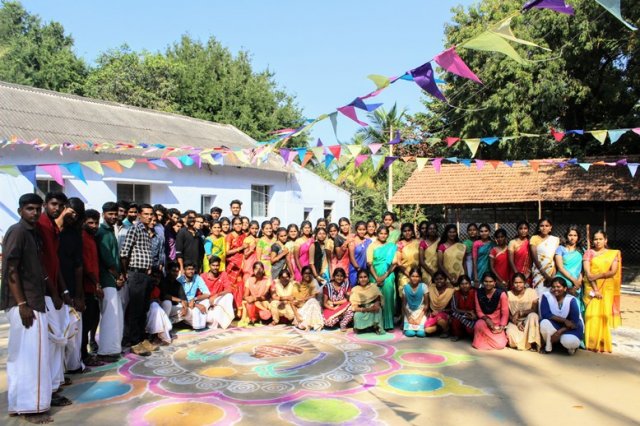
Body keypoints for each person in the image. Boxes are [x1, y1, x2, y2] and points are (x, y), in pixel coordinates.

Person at [1, 193, 54, 423]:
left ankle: (21, 404)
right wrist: (22, 304)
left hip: (34, 300)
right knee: (31, 358)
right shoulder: (18, 231)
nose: (34, 213)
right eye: (30, 209)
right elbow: (11, 269)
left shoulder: (33, 234)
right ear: (21, 209)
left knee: (26, 357)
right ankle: (31, 408)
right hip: (26, 304)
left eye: (37, 209)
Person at [38, 192, 73, 399]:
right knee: (53, 340)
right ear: (45, 204)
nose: (57, 208)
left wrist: (64, 290)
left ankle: (56, 382)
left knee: (60, 337)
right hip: (43, 294)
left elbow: (55, 263)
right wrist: (54, 292)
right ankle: (50, 389)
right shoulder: (41, 226)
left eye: (60, 205)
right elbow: (41, 264)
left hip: (55, 291)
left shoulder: (52, 227)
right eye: (53, 204)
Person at [120, 203, 156, 356]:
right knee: (135, 309)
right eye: (146, 214)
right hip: (135, 274)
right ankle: (133, 341)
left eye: (150, 214)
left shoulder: (148, 231)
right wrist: (126, 273)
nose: (149, 217)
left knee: (143, 308)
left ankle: (142, 338)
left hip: (146, 275)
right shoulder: (135, 229)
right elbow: (124, 253)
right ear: (139, 215)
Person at [58, 198, 86, 374]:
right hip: (52, 289)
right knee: (57, 333)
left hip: (71, 286)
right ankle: (58, 371)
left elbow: (78, 266)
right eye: (70, 211)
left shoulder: (75, 235)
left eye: (77, 214)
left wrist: (78, 294)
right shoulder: (50, 230)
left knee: (73, 329)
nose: (73, 216)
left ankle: (73, 365)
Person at [582, 230, 621, 353]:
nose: (597, 241)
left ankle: (602, 343)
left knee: (603, 316)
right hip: (591, 287)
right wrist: (595, 289)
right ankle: (590, 343)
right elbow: (588, 273)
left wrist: (599, 275)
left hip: (606, 288)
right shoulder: (589, 253)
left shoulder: (613, 254)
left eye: (600, 239)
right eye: (595, 239)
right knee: (590, 315)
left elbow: (613, 271)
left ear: (605, 240)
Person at [95, 202, 125, 362]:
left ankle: (113, 349)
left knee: (115, 315)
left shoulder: (109, 231)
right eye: (110, 214)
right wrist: (117, 276)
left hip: (112, 279)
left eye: (115, 214)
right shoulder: (101, 232)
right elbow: (107, 258)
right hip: (106, 278)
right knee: (109, 316)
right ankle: (105, 351)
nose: (113, 217)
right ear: (103, 214)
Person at [80, 209, 104, 367]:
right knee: (85, 323)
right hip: (86, 287)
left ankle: (89, 348)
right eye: (90, 223)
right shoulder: (82, 238)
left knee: (93, 319)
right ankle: (83, 355)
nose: (94, 225)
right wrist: (97, 285)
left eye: (96, 222)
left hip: (93, 286)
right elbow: (87, 266)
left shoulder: (92, 238)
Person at [540, 278, 584, 355]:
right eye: (553, 287)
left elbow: (574, 322)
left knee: (568, 341)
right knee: (544, 323)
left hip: (571, 328)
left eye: (558, 287)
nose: (555, 289)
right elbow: (546, 314)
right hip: (556, 324)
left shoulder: (571, 299)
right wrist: (565, 321)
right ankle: (549, 346)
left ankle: (571, 348)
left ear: (565, 288)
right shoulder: (547, 296)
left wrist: (559, 332)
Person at [367, 225, 397, 330]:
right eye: (381, 233)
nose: (383, 235)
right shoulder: (371, 246)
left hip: (388, 274)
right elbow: (369, 263)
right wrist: (376, 277)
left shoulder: (392, 246)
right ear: (377, 234)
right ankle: (375, 323)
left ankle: (388, 323)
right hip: (374, 274)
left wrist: (384, 276)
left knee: (388, 297)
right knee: (375, 298)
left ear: (388, 235)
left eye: (385, 234)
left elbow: (394, 264)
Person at [473, 272, 509, 350]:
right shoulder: (478, 293)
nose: (488, 284)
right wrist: (487, 319)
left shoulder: (501, 294)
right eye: (486, 281)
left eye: (490, 282)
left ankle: (487, 342)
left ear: (494, 283)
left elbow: (505, 313)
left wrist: (502, 327)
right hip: (485, 321)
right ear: (482, 282)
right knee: (478, 325)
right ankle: (485, 342)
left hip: (497, 323)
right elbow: (478, 311)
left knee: (500, 345)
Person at [506, 273, 540, 351]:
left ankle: (531, 341)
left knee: (533, 315)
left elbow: (535, 310)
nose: (518, 285)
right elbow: (507, 313)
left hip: (528, 321)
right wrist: (517, 323)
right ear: (512, 283)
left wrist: (520, 312)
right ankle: (527, 343)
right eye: (516, 283)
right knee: (513, 341)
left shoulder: (531, 292)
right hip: (515, 322)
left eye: (520, 282)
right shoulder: (508, 294)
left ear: (524, 283)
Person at [554, 226, 584, 315]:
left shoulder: (582, 251)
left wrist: (578, 281)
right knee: (561, 307)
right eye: (570, 235)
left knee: (575, 307)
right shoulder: (560, 249)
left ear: (578, 237)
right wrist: (573, 280)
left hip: (576, 283)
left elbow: (582, 269)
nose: (572, 237)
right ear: (566, 236)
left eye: (575, 235)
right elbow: (560, 267)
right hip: (562, 282)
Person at [200, 256, 235, 329]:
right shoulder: (203, 276)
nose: (215, 267)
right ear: (209, 265)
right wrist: (209, 299)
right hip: (206, 301)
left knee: (229, 295)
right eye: (213, 265)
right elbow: (199, 294)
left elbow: (229, 289)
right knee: (209, 320)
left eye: (217, 265)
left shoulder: (223, 274)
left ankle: (225, 322)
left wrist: (216, 295)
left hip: (218, 300)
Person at [530, 218, 560, 296]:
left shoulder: (555, 240)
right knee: (539, 295)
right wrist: (545, 275)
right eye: (542, 226)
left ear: (550, 228)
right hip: (538, 271)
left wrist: (552, 277)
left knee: (551, 296)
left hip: (551, 271)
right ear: (538, 228)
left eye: (547, 226)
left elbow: (554, 259)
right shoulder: (534, 238)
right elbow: (535, 258)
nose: (544, 228)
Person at [350, 268, 384, 334]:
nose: (363, 279)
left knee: (378, 310)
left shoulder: (373, 287)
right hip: (363, 310)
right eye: (361, 277)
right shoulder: (355, 289)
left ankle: (376, 327)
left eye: (365, 277)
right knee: (357, 315)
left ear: (368, 278)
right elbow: (355, 308)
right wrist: (368, 309)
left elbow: (378, 300)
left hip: (373, 309)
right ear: (358, 279)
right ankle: (361, 328)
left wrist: (376, 305)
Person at [177, 263, 211, 330]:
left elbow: (207, 294)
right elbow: (181, 299)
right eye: (188, 269)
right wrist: (196, 305)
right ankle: (193, 323)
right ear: (184, 271)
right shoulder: (179, 280)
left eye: (192, 269)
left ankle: (197, 324)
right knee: (193, 310)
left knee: (207, 301)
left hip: (193, 302)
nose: (191, 271)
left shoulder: (197, 278)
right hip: (184, 304)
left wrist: (194, 299)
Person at [225, 217, 247, 316]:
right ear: (233, 225)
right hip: (232, 265)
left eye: (240, 224)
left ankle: (239, 309)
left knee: (240, 286)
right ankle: (230, 310)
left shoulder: (244, 235)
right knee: (231, 287)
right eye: (236, 224)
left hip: (242, 264)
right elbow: (227, 252)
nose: (238, 226)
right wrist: (240, 248)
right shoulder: (229, 236)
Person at [239, 262, 273, 326]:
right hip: (253, 303)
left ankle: (261, 318)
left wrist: (254, 298)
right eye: (256, 269)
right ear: (253, 271)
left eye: (260, 269)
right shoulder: (249, 280)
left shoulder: (267, 280)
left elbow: (265, 296)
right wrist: (248, 298)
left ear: (263, 270)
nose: (258, 270)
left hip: (263, 303)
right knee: (248, 302)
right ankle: (252, 319)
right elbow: (245, 295)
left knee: (264, 314)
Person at [291, 266, 324, 331]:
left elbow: (314, 296)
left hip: (310, 308)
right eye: (306, 273)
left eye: (309, 273)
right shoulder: (297, 285)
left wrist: (309, 297)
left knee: (313, 301)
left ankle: (314, 324)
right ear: (302, 274)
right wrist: (297, 316)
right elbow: (293, 303)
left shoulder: (312, 284)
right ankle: (309, 324)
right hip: (301, 310)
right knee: (312, 301)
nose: (308, 275)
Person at [145, 270, 172, 345]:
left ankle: (158, 333)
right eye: (154, 276)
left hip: (154, 314)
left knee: (163, 304)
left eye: (159, 278)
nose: (156, 279)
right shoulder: (144, 287)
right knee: (154, 305)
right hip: (144, 313)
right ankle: (159, 334)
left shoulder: (157, 290)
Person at [425, 271, 455, 337]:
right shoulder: (431, 289)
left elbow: (452, 309)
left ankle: (447, 330)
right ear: (434, 280)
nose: (439, 281)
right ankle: (440, 329)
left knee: (440, 319)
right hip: (433, 314)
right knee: (427, 330)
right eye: (437, 279)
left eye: (441, 279)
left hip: (446, 315)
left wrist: (439, 312)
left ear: (445, 280)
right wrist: (429, 312)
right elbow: (428, 303)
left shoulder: (450, 291)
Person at [401, 268, 428, 337]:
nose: (415, 278)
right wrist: (409, 317)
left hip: (420, 312)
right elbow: (404, 305)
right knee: (410, 333)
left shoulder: (424, 287)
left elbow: (426, 305)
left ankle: (418, 327)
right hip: (409, 312)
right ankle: (407, 327)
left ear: (420, 278)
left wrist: (419, 318)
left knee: (421, 334)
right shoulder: (406, 288)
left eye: (417, 276)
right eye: (413, 276)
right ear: (409, 277)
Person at [450, 275, 477, 341]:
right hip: (461, 315)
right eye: (462, 284)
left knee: (470, 330)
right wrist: (467, 312)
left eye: (466, 283)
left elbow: (479, 307)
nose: (464, 286)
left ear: (470, 284)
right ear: (459, 285)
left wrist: (473, 315)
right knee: (455, 318)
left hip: (472, 316)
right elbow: (454, 308)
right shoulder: (456, 293)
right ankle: (457, 335)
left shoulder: (475, 293)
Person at [396, 223, 420, 288]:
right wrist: (408, 274)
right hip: (404, 274)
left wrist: (414, 275)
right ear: (402, 232)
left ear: (412, 231)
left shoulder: (418, 242)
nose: (407, 233)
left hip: (417, 274)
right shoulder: (399, 244)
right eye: (405, 231)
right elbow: (399, 262)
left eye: (409, 230)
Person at [348, 221, 372, 287]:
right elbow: (351, 257)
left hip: (365, 269)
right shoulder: (352, 241)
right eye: (359, 230)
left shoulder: (369, 241)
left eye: (364, 229)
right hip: (354, 269)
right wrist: (358, 268)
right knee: (354, 288)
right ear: (356, 230)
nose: (362, 232)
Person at [418, 221, 439, 285]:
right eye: (430, 229)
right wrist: (432, 273)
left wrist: (437, 273)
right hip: (426, 271)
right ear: (427, 231)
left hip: (439, 271)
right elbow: (421, 261)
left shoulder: (440, 241)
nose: (432, 230)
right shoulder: (423, 243)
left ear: (437, 230)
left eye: (434, 228)